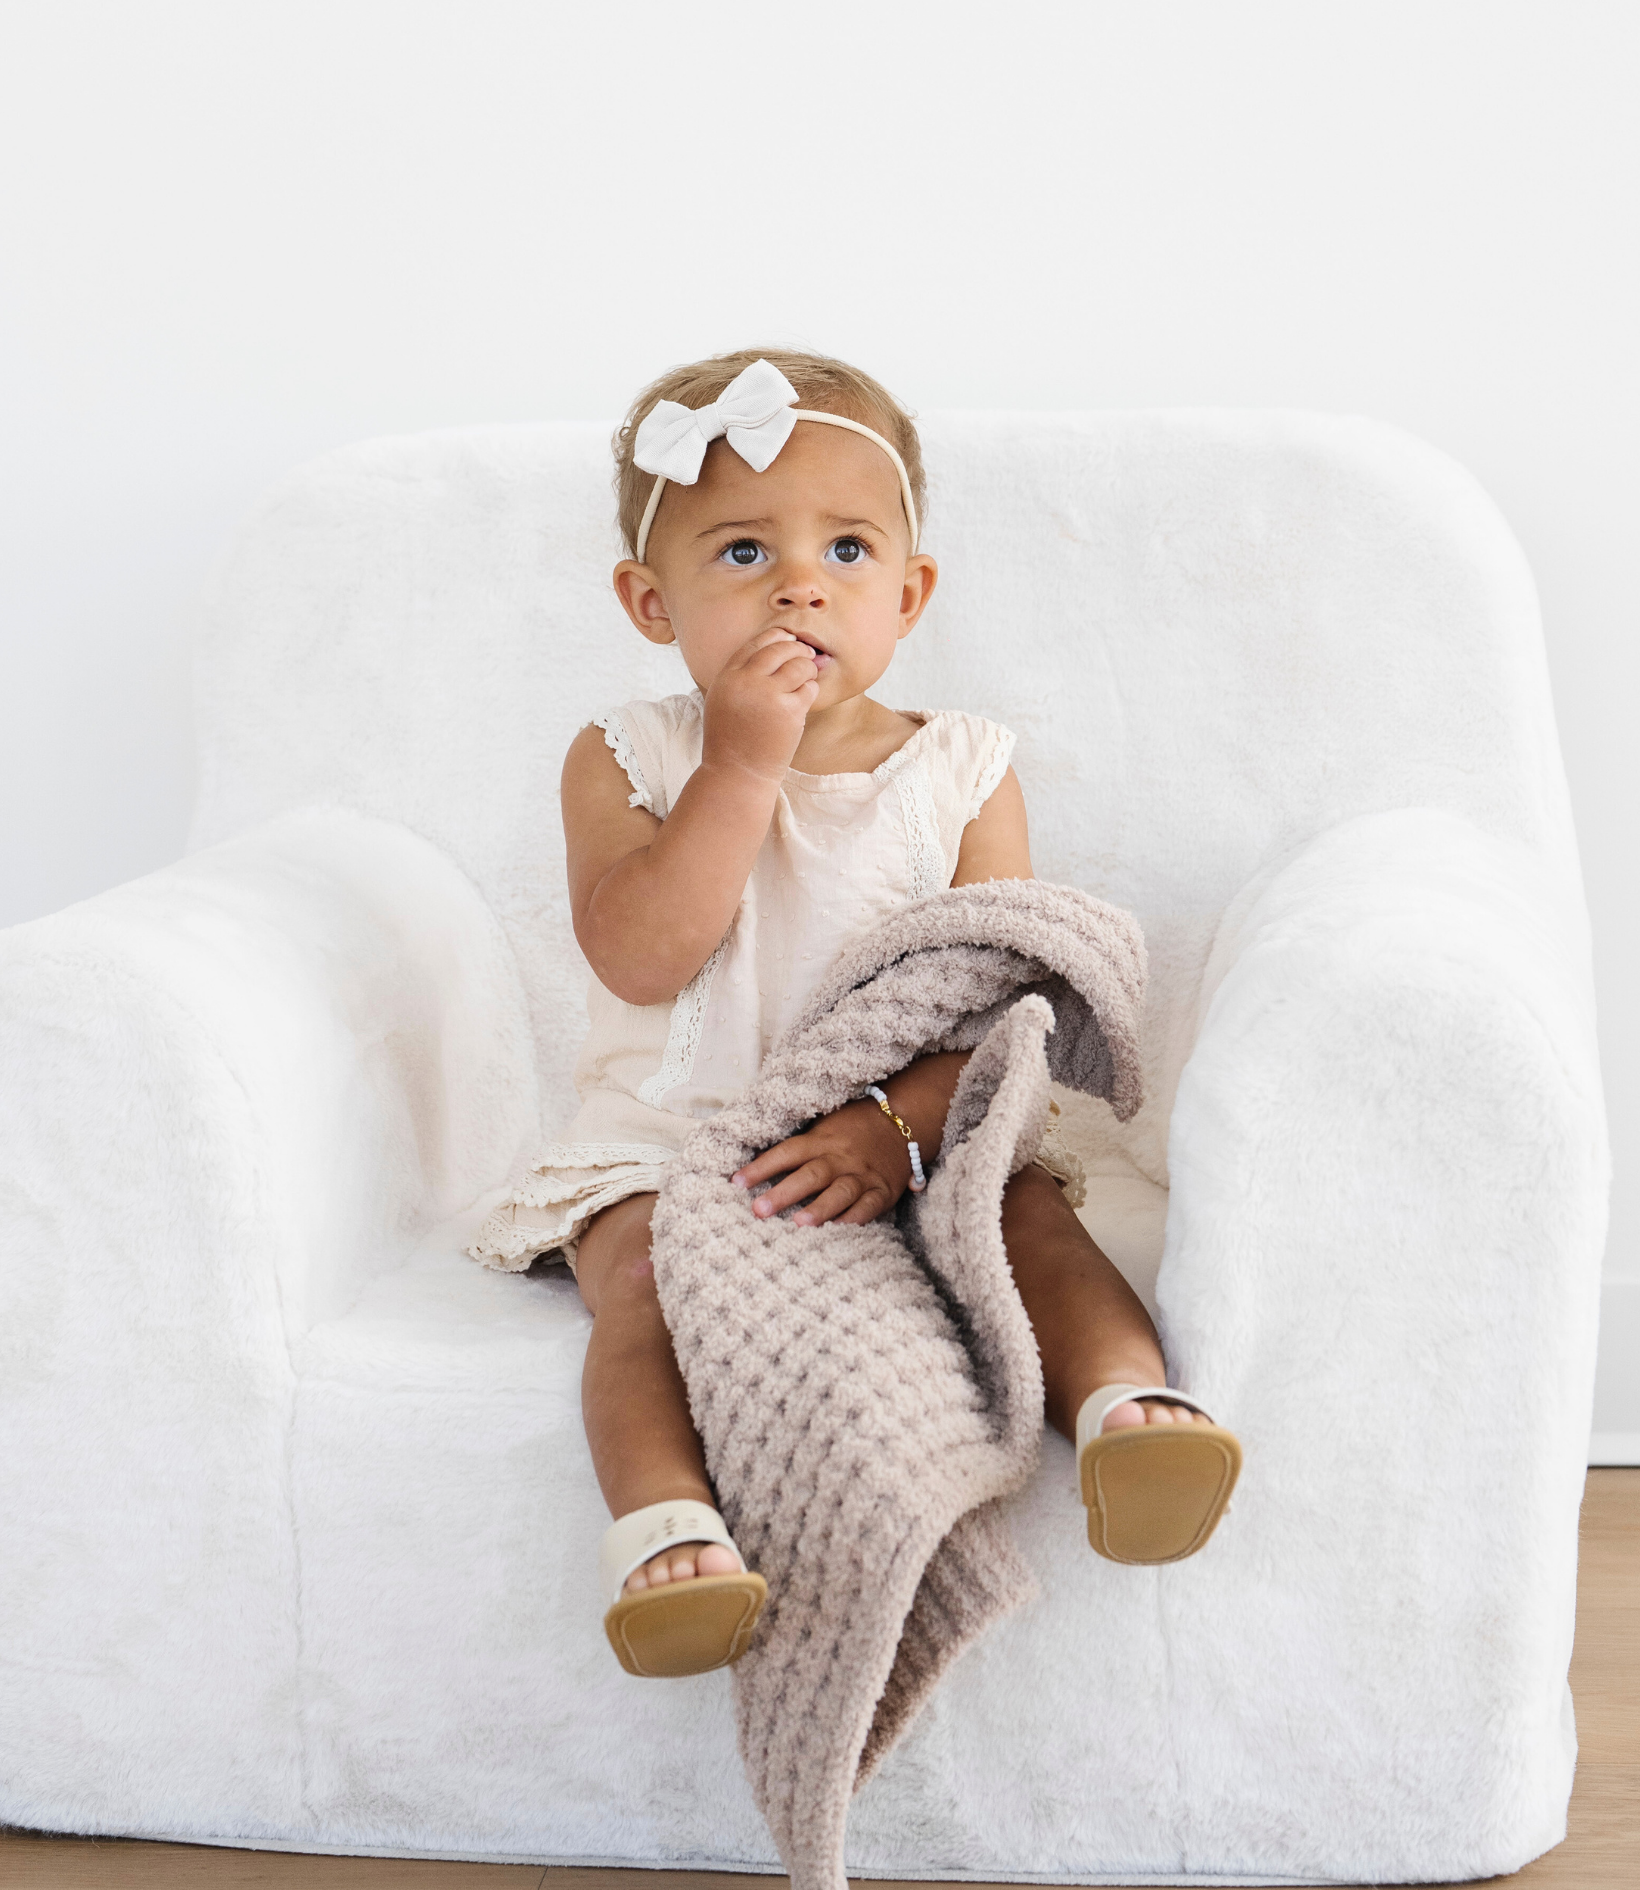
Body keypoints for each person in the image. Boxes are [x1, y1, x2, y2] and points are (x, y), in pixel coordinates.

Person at [472, 350, 1239, 1678]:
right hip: (676, 1132)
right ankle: (667, 1530)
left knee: (1030, 1218)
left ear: (907, 590)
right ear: (649, 603)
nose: (798, 584)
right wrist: (741, 763)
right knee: (641, 1289)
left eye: (842, 546)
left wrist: (901, 1130)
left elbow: (1002, 994)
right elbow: (643, 958)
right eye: (738, 553)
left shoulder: (959, 765)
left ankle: (1127, 1402)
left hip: (910, 1118)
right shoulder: (627, 756)